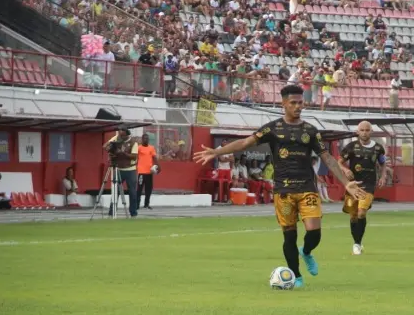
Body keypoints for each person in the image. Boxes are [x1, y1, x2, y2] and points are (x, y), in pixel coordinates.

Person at [194, 85, 365, 288]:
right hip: (283, 191)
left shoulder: (310, 131)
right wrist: (216, 152)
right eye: (293, 103)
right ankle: (296, 276)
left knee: (314, 232)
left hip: (306, 188)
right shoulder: (272, 128)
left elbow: (326, 157)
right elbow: (245, 143)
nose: (298, 106)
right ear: (283, 103)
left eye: (300, 102)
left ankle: (307, 252)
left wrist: (346, 183)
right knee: (289, 234)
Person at [339, 121, 387, 255]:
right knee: (353, 216)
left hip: (369, 185)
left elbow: (383, 164)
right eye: (362, 130)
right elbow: (339, 162)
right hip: (353, 185)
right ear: (357, 132)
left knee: (361, 212)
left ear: (371, 131)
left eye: (367, 130)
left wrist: (383, 177)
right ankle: (357, 242)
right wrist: (345, 169)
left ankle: (357, 244)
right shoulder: (351, 147)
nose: (365, 132)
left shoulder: (378, 148)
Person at [103, 126, 139, 218]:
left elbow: (134, 156)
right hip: (118, 168)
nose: (120, 137)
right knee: (115, 191)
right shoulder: (116, 138)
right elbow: (105, 146)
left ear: (127, 135)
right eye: (119, 134)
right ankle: (112, 212)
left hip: (130, 170)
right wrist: (109, 148)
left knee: (132, 192)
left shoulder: (133, 143)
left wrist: (122, 153)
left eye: (122, 135)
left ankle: (133, 213)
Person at [136, 133, 160, 210]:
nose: (146, 140)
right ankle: (137, 204)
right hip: (141, 173)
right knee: (139, 189)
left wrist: (158, 166)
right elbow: (135, 158)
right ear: (142, 139)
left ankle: (146, 204)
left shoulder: (151, 148)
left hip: (149, 172)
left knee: (148, 189)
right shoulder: (139, 148)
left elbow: (154, 157)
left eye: (147, 138)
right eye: (145, 138)